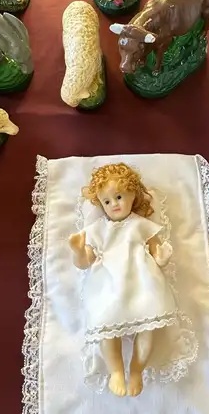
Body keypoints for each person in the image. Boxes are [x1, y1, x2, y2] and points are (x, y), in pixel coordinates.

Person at [68, 163, 184, 397]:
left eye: (119, 197)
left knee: (148, 329)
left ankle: (137, 369)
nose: (114, 204)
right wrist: (78, 252)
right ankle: (116, 371)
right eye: (107, 201)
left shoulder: (141, 225)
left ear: (132, 194)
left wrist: (162, 257)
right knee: (106, 329)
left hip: (143, 283)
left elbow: (156, 251)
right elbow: (85, 262)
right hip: (108, 287)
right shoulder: (96, 230)